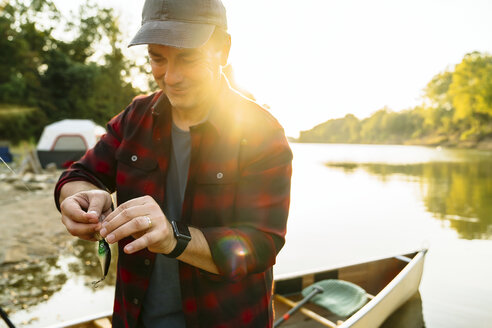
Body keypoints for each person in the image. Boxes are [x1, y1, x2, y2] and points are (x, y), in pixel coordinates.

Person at [54, 0, 293, 327]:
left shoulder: (262, 132)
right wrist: (78, 197)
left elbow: (262, 243)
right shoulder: (135, 117)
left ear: (222, 50)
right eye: (157, 58)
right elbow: (80, 174)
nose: (171, 76)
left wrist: (173, 237)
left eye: (188, 57)